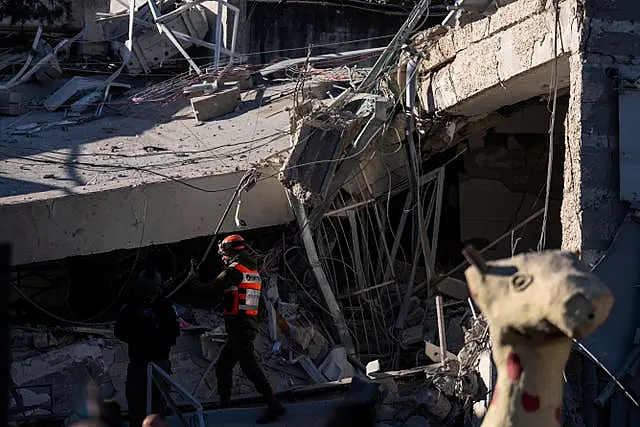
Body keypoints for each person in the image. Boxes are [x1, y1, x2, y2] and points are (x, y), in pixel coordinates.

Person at [192, 234, 285, 424]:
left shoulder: (234, 271)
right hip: (246, 325)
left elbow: (208, 291)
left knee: (249, 366)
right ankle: (225, 406)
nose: (222, 257)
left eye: (224, 253)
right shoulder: (251, 269)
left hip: (240, 327)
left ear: (232, 251)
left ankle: (273, 403)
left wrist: (192, 279)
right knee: (224, 365)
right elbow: (256, 304)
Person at [114, 253, 180, 427]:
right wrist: (137, 333)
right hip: (138, 364)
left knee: (158, 406)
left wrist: (157, 333)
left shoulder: (165, 307)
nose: (148, 298)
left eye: (151, 294)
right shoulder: (131, 307)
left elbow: (173, 334)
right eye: (145, 294)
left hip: (159, 363)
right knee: (136, 404)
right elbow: (119, 331)